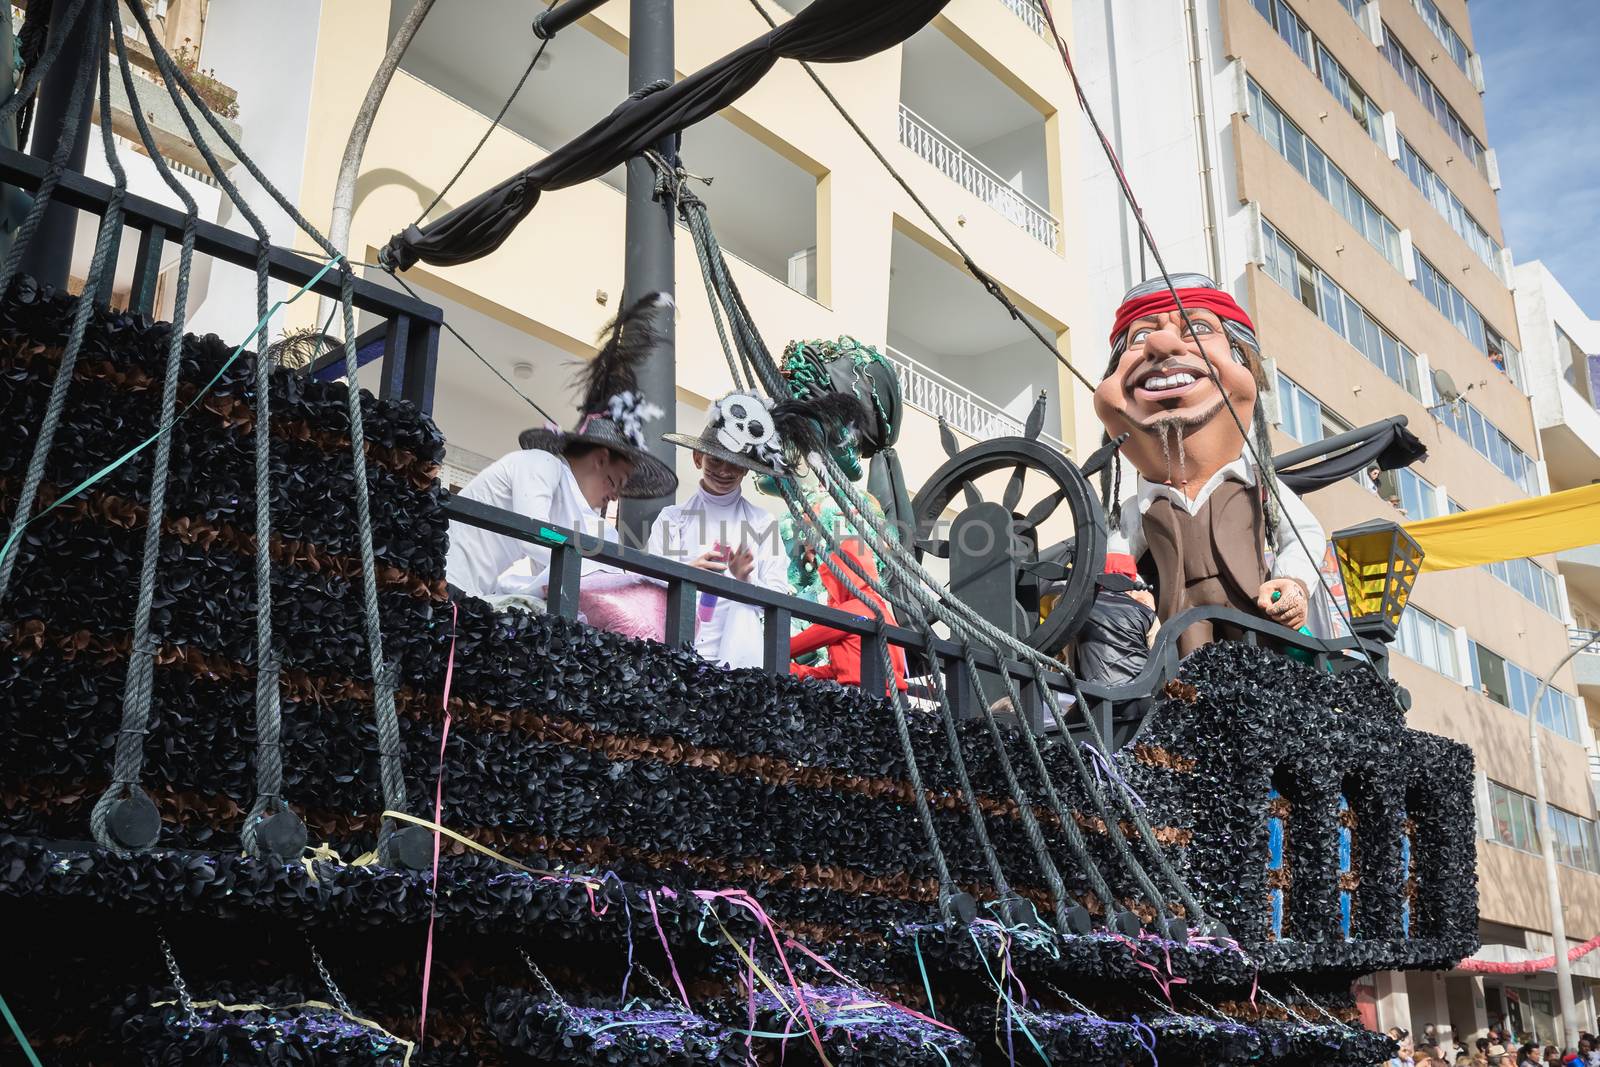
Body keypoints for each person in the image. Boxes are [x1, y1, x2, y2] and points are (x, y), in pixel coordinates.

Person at [1092, 274, 1325, 655]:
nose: (1161, 343)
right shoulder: (1140, 507)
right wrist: (1125, 590)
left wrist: (1293, 582)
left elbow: (1304, 534)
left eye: (1197, 328)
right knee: (1189, 689)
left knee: (1257, 685)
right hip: (1179, 618)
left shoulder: (1257, 486)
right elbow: (1117, 556)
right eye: (1139, 337)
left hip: (1253, 614)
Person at [446, 293, 678, 601]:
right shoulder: (540, 464)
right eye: (615, 482)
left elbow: (592, 550)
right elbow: (536, 534)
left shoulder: (565, 498)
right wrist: (577, 550)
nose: (613, 495)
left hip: (470, 590)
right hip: (447, 581)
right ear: (600, 458)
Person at [652, 390, 862, 668]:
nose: (724, 472)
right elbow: (649, 581)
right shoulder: (673, 518)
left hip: (738, 655)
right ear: (697, 458)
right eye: (715, 460)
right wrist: (688, 571)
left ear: (747, 469)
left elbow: (776, 596)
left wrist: (744, 581)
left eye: (735, 465)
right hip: (675, 648)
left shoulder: (762, 523)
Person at [790, 536, 909, 695]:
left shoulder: (853, 610)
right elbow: (843, 669)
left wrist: (759, 651)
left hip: (861, 700)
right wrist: (799, 671)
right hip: (888, 704)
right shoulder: (885, 615)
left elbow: (793, 646)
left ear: (842, 578)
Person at [1073, 552, 1157, 686]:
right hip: (1139, 691)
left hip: (1098, 695)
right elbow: (1158, 654)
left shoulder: (1080, 608)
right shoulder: (1146, 612)